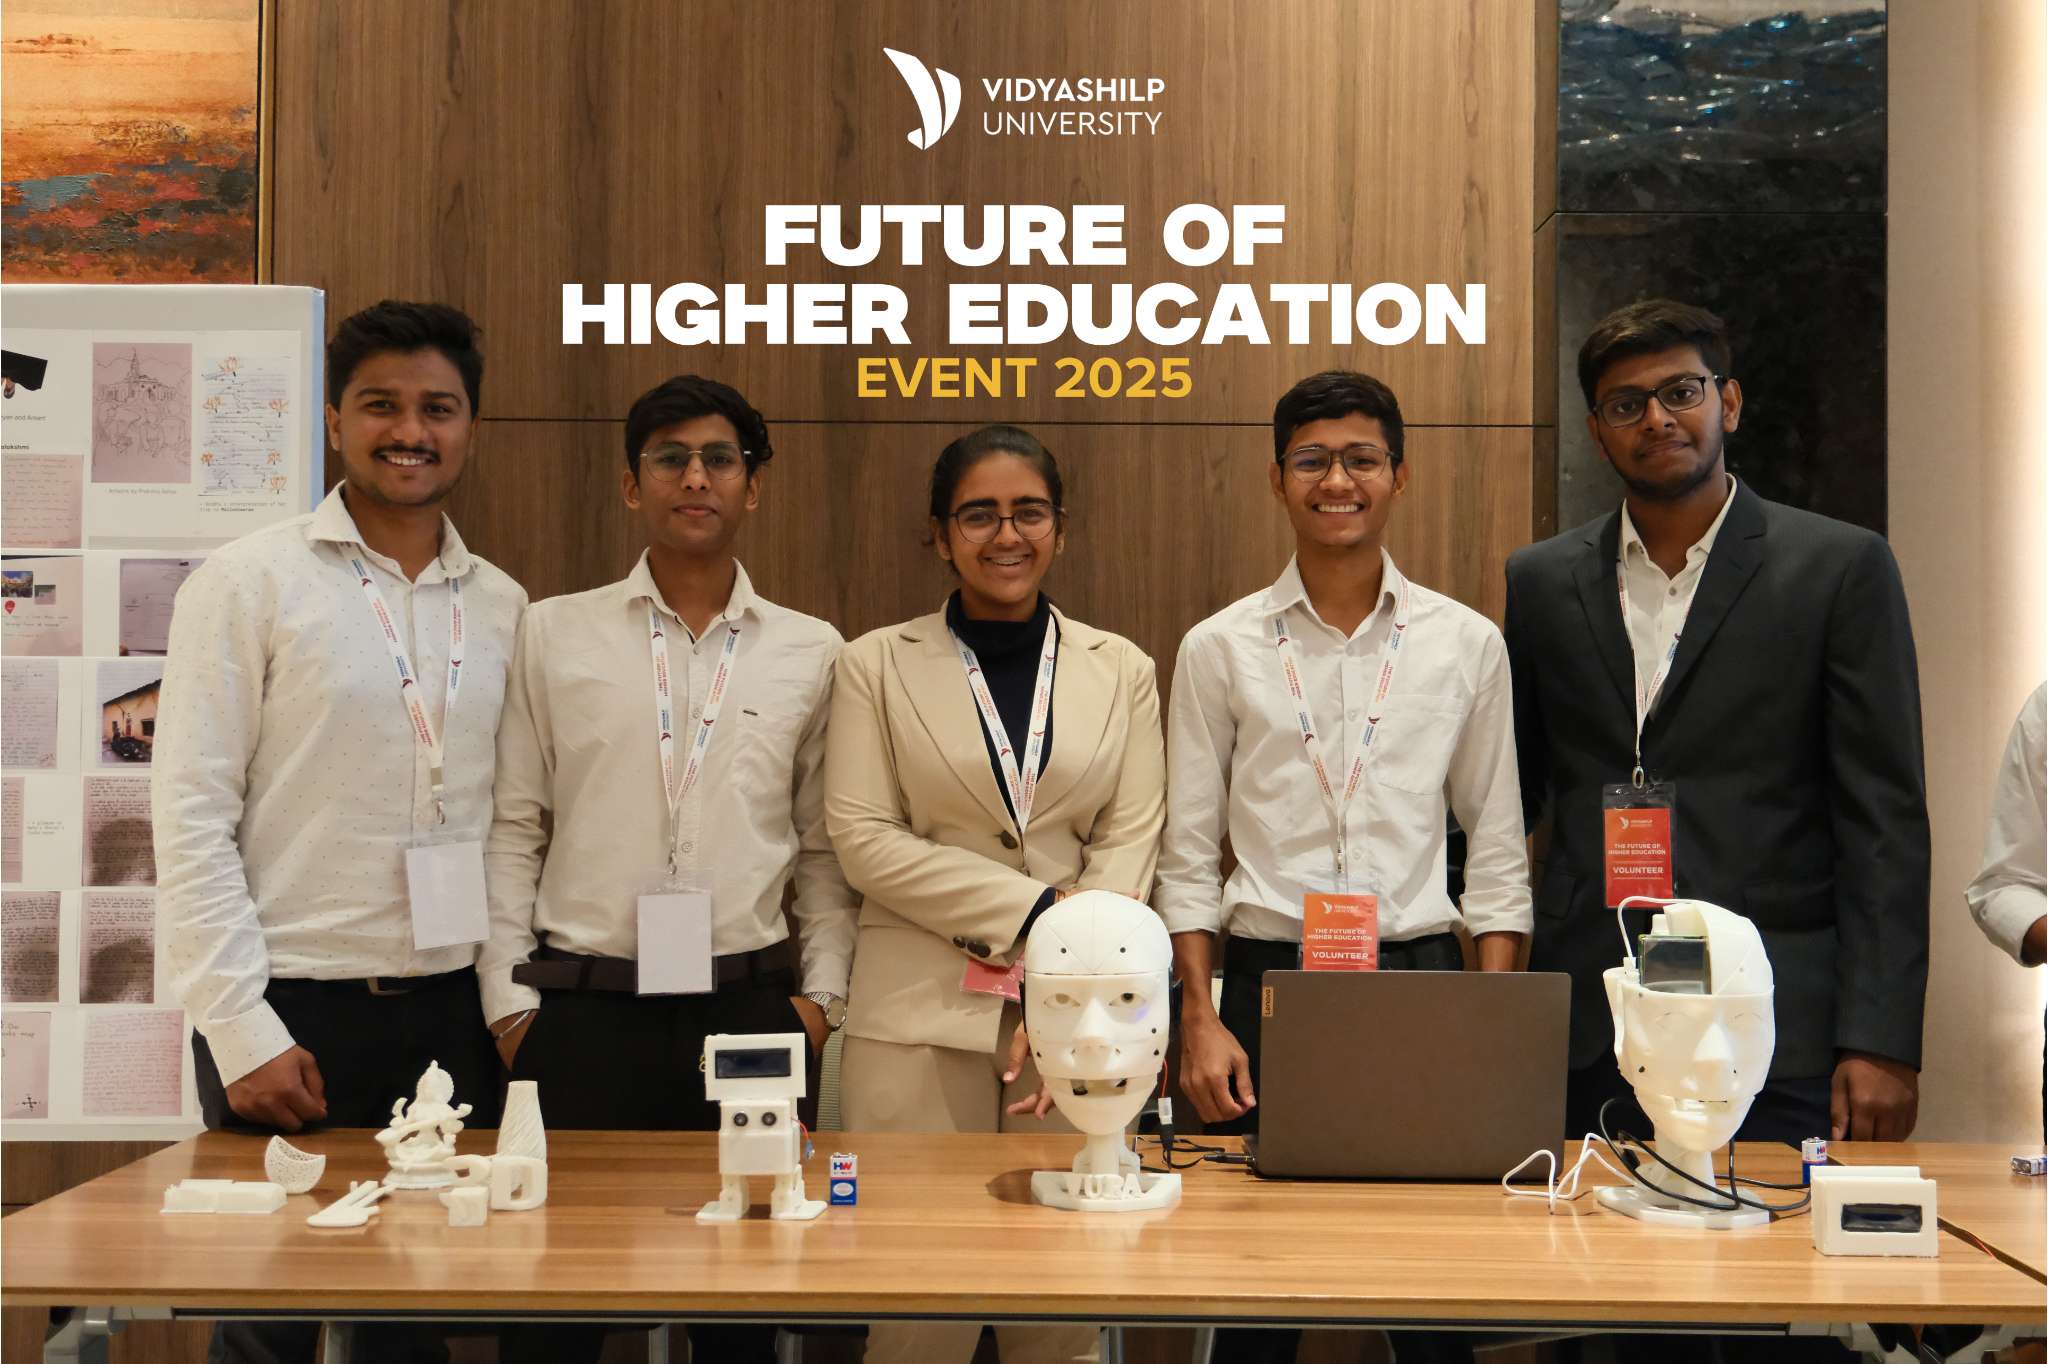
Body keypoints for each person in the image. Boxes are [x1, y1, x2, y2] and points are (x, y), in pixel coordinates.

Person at [155, 300, 525, 1364]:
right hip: (291, 1009)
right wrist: (240, 1029)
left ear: (469, 426)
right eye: (380, 405)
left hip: (448, 1012)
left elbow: (508, 821)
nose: (410, 431)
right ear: (332, 421)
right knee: (267, 1316)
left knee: (414, 1314)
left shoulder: (501, 604)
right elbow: (188, 812)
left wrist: (502, 1006)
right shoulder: (248, 581)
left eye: (437, 408)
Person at [1154, 371, 1532, 1364]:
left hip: (1420, 983)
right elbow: (1186, 854)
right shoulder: (1218, 647)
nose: (1337, 480)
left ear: (1399, 475)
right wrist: (1198, 1016)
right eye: (1312, 460)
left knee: (1432, 1293)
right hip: (1269, 987)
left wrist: (1490, 1031)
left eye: (1361, 458)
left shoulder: (1466, 643)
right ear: (1276, 478)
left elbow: (1497, 850)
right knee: (1254, 1285)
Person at [482, 375, 855, 1364]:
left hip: (749, 1013)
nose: (696, 477)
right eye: (670, 458)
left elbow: (823, 849)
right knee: (552, 1314)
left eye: (719, 459)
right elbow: (512, 827)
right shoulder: (552, 632)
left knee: (741, 1314)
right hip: (582, 1016)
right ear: (630, 483)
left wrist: (819, 1003)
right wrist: (508, 1010)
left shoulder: (811, 650)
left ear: (752, 487)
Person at [1505, 298, 1930, 1150]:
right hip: (1594, 1016)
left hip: (1771, 1019)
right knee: (1586, 1236)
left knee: (1768, 1236)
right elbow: (1514, 790)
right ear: (1597, 432)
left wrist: (1880, 1038)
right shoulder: (1542, 581)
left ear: (1727, 403)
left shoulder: (1839, 567)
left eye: (1681, 392)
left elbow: (1883, 820)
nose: (1657, 419)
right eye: (1626, 404)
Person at [825, 424, 1165, 1364]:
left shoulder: (1123, 669)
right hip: (914, 1026)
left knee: (1063, 1310)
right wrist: (1039, 916)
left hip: (1081, 1031)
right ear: (940, 535)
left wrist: (1068, 973)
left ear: (1061, 527)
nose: (1006, 535)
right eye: (979, 515)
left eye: (1029, 513)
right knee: (913, 1313)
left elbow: (1132, 837)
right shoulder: (874, 664)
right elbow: (863, 838)